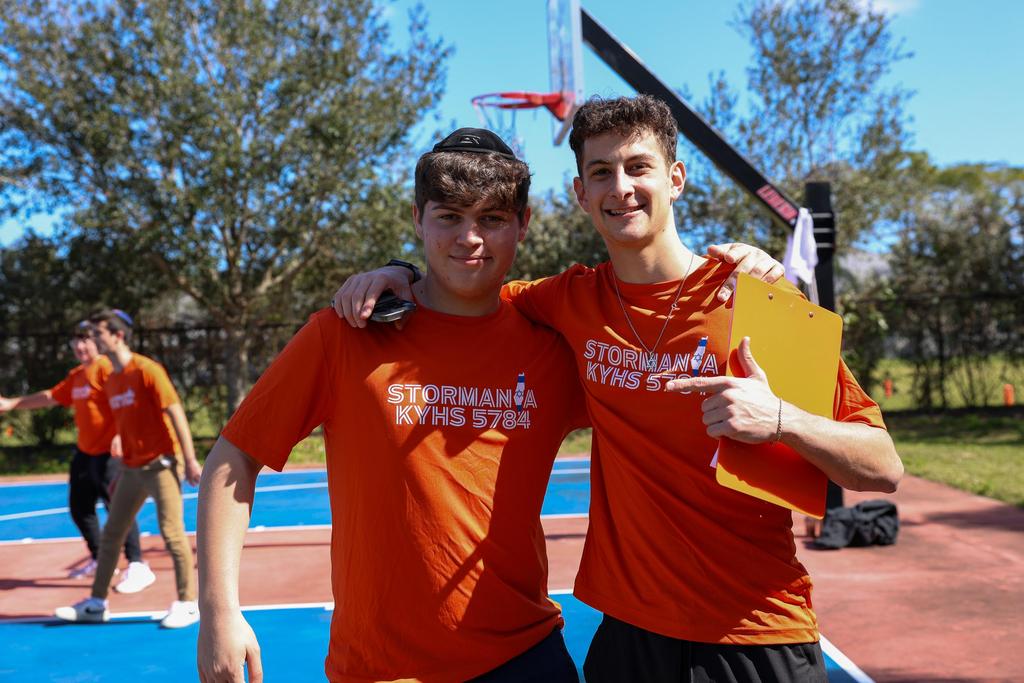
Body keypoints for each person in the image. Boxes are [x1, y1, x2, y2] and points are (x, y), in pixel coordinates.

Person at [334, 96, 903, 682]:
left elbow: (882, 467)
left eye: (638, 166)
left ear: (675, 179)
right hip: (631, 639)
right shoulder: (567, 300)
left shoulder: (756, 299)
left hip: (756, 634)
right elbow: (464, 283)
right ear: (582, 194)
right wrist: (399, 272)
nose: (621, 187)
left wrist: (783, 419)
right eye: (602, 172)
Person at [197, 129, 589, 683]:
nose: (469, 238)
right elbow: (234, 457)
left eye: (492, 219)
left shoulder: (555, 342)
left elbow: (654, 394)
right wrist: (219, 611)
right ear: (417, 218)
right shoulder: (346, 332)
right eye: (448, 216)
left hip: (524, 657)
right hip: (382, 667)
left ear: (522, 224)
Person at [54, 308, 203, 629]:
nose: (93, 339)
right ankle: (97, 603)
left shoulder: (147, 370)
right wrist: (121, 455)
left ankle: (188, 603)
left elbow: (175, 413)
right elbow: (122, 420)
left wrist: (190, 460)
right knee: (112, 535)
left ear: (118, 336)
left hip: (162, 463)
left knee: (172, 533)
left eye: (98, 333)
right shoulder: (112, 379)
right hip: (132, 469)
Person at [0, 320, 154, 593]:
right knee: (80, 508)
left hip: (111, 454)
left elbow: (128, 402)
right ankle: (100, 559)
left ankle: (137, 564)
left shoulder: (106, 369)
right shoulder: (78, 375)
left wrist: (121, 434)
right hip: (86, 452)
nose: (80, 346)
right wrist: (12, 403)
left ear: (98, 342)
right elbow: (51, 396)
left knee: (118, 509)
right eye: (76, 340)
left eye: (86, 340)